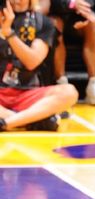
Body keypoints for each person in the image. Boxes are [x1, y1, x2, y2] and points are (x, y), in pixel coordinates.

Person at [0, 0, 78, 132]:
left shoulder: (43, 23)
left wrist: (8, 33)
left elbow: (32, 62)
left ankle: (7, 122)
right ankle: (31, 120)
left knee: (69, 92)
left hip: (27, 93)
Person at [36, 0, 95, 104]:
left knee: (93, 21)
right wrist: (71, 4)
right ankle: (61, 83)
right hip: (55, 14)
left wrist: (81, 9)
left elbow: (90, 2)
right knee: (54, 24)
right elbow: (49, 4)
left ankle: (94, 84)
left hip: (77, 15)